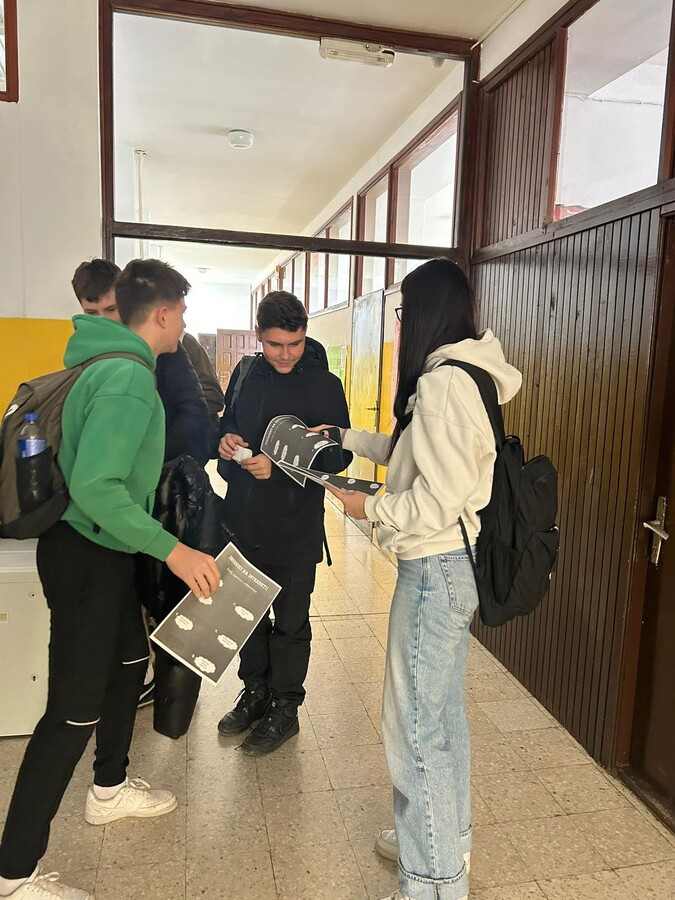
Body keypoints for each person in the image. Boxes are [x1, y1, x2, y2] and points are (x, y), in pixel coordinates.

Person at [0, 259, 221, 900]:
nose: (184, 322)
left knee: (129, 662)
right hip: (88, 555)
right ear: (162, 313)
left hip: (101, 549)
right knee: (71, 712)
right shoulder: (127, 378)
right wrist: (175, 551)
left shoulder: (104, 361)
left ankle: (109, 788)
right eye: (182, 311)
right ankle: (14, 873)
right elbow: (98, 488)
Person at [314, 258, 522, 900]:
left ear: (426, 311)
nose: (400, 324)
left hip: (434, 570)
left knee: (415, 731)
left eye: (403, 311)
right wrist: (348, 438)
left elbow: (437, 498)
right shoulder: (464, 373)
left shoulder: (445, 384)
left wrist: (369, 506)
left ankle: (432, 881)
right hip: (448, 567)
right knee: (440, 719)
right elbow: (416, 452)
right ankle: (442, 843)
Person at [215, 291, 352, 755]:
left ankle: (285, 707)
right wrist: (226, 440)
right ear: (258, 335)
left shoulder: (325, 385)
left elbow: (338, 457)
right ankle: (255, 693)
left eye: (295, 343)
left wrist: (281, 466)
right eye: (275, 344)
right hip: (242, 520)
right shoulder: (246, 374)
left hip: (295, 525)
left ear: (305, 335)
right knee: (248, 615)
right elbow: (228, 424)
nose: (286, 354)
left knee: (290, 623)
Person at [71, 259, 211, 709]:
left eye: (110, 309)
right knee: (80, 699)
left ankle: (153, 695)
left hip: (140, 509)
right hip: (104, 527)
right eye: (92, 313)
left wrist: (146, 458)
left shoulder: (156, 359)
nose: (106, 321)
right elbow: (95, 484)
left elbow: (197, 417)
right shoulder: (123, 371)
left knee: (131, 651)